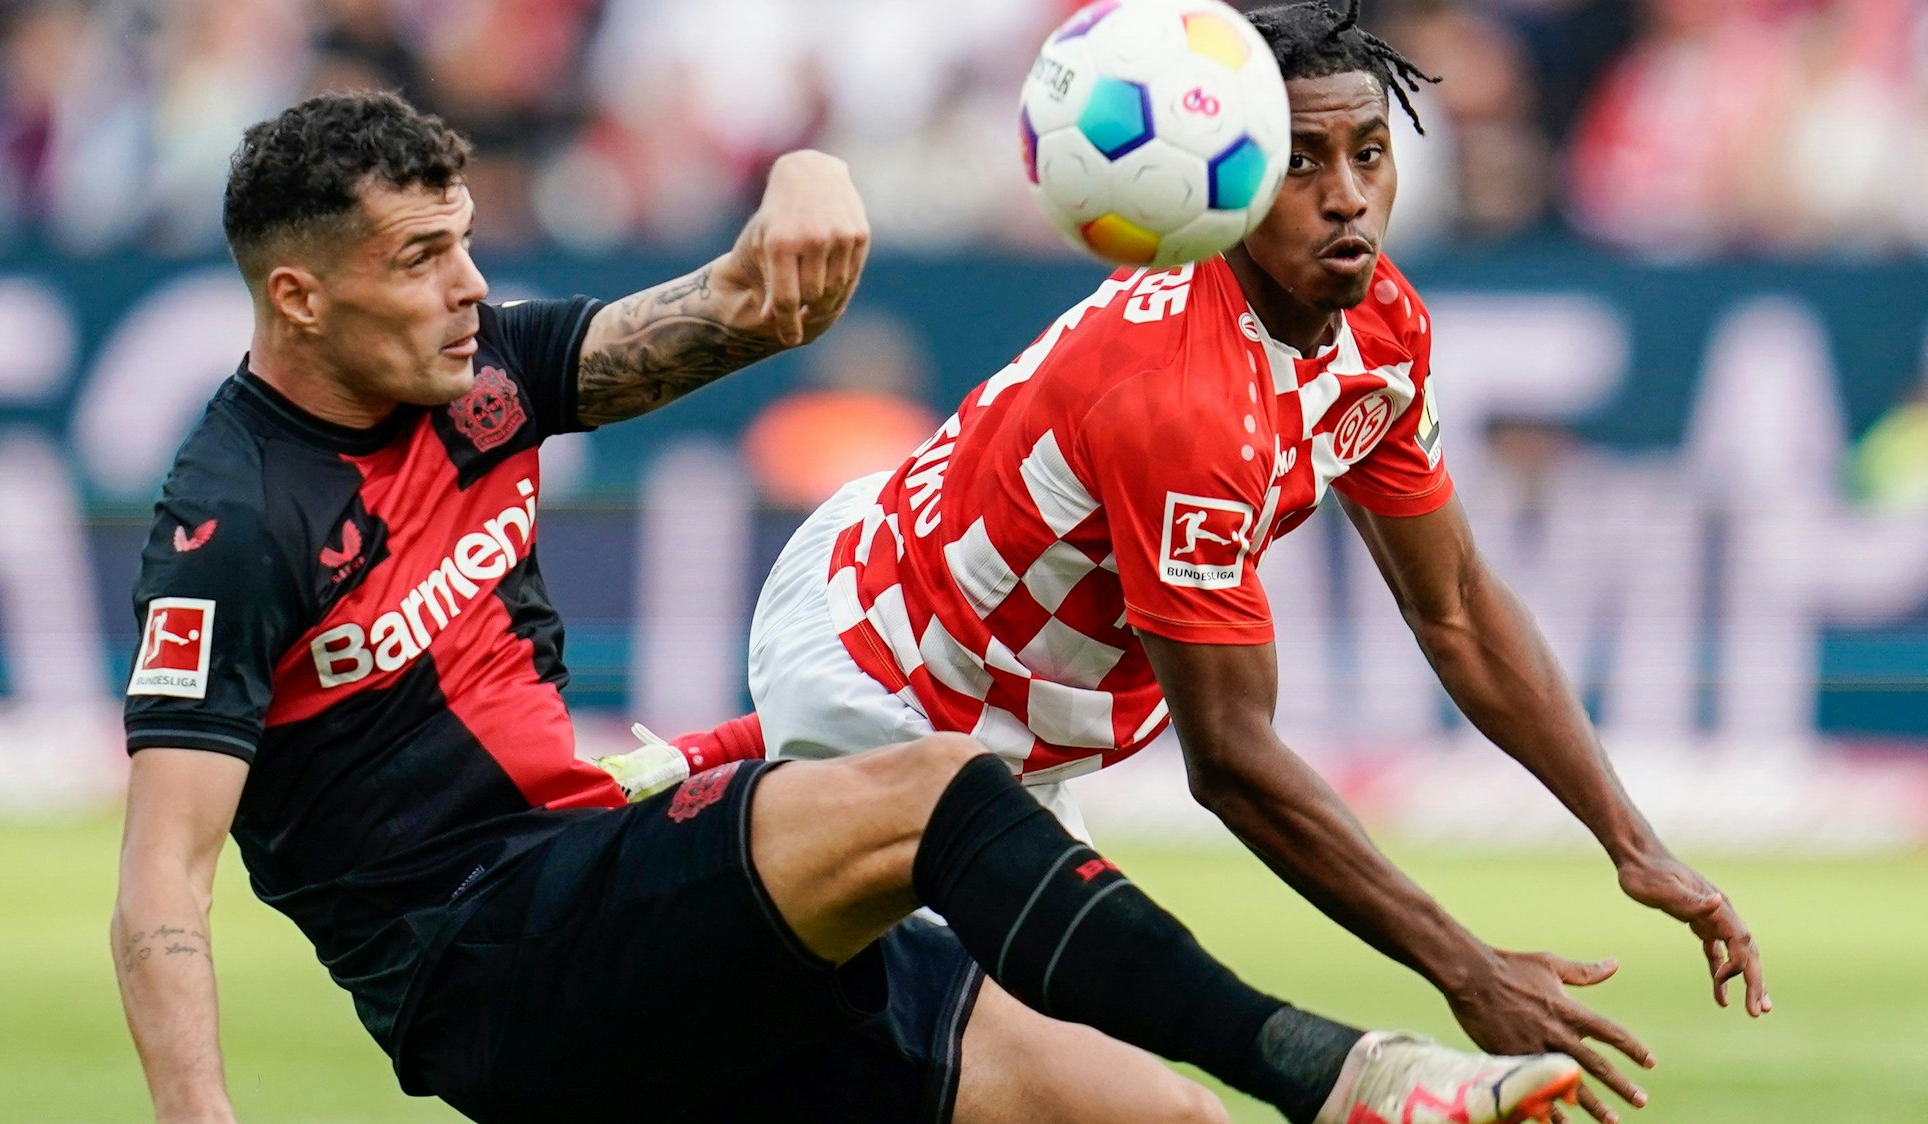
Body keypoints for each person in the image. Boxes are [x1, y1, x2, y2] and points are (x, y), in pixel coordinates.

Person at [111, 89, 1583, 1124]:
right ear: (297, 300)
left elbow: (755, 302)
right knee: (936, 788)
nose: (469, 287)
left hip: (609, 906)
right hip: (484, 960)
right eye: (422, 259)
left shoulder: (484, 374)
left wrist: (810, 166)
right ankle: (1343, 1076)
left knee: (1143, 1113)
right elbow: (160, 892)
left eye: (468, 241)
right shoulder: (233, 519)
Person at [747, 5, 1771, 1123]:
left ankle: (684, 816)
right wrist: (1462, 963)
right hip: (884, 684)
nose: (1347, 196)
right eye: (1299, 164)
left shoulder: (1378, 321)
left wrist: (1632, 843)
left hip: (993, 711)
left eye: (1368, 154)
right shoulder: (1185, 399)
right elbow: (1230, 756)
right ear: (1224, 185)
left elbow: (1460, 608)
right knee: (1085, 1098)